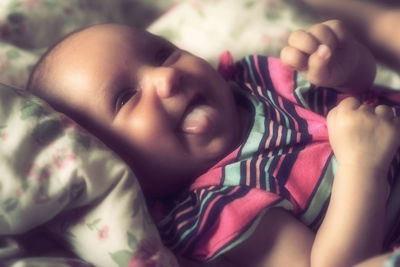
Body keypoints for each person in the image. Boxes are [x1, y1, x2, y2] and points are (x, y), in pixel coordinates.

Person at [26, 18, 400, 267]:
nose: (166, 77)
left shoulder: (256, 81)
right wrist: (362, 168)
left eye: (162, 54)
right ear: (112, 159)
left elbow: (360, 91)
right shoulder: (216, 208)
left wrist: (345, 67)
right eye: (125, 98)